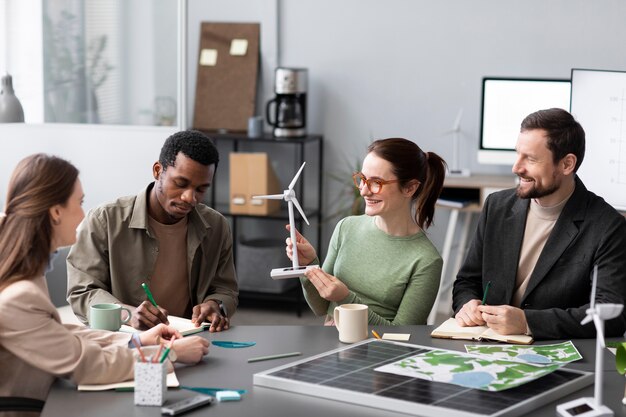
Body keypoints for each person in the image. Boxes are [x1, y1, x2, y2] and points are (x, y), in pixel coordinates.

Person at [0, 154, 209, 415]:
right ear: (55, 212)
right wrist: (169, 353)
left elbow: (57, 333)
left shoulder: (24, 271)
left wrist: (138, 341)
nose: (83, 213)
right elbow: (86, 364)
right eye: (79, 203)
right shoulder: (20, 295)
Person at [453, 108, 626, 340]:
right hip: (485, 344)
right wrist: (466, 305)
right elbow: (467, 281)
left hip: (554, 352)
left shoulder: (608, 227)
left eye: (531, 159)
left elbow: (611, 316)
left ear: (567, 164)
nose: (516, 168)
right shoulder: (496, 206)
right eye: (518, 154)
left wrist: (527, 322)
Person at [66, 130, 238, 332]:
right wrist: (126, 314)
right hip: (124, 340)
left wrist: (215, 304)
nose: (190, 197)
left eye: (201, 189)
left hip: (190, 337)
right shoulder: (104, 220)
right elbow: (82, 292)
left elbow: (225, 288)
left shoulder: (216, 226)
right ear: (158, 171)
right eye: (180, 183)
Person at [286, 138, 446, 325]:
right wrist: (309, 265)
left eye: (376, 182)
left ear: (410, 187)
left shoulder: (426, 260)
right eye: (362, 179)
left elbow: (403, 335)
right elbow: (321, 308)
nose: (363, 191)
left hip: (381, 351)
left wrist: (346, 298)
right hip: (332, 342)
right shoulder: (346, 228)